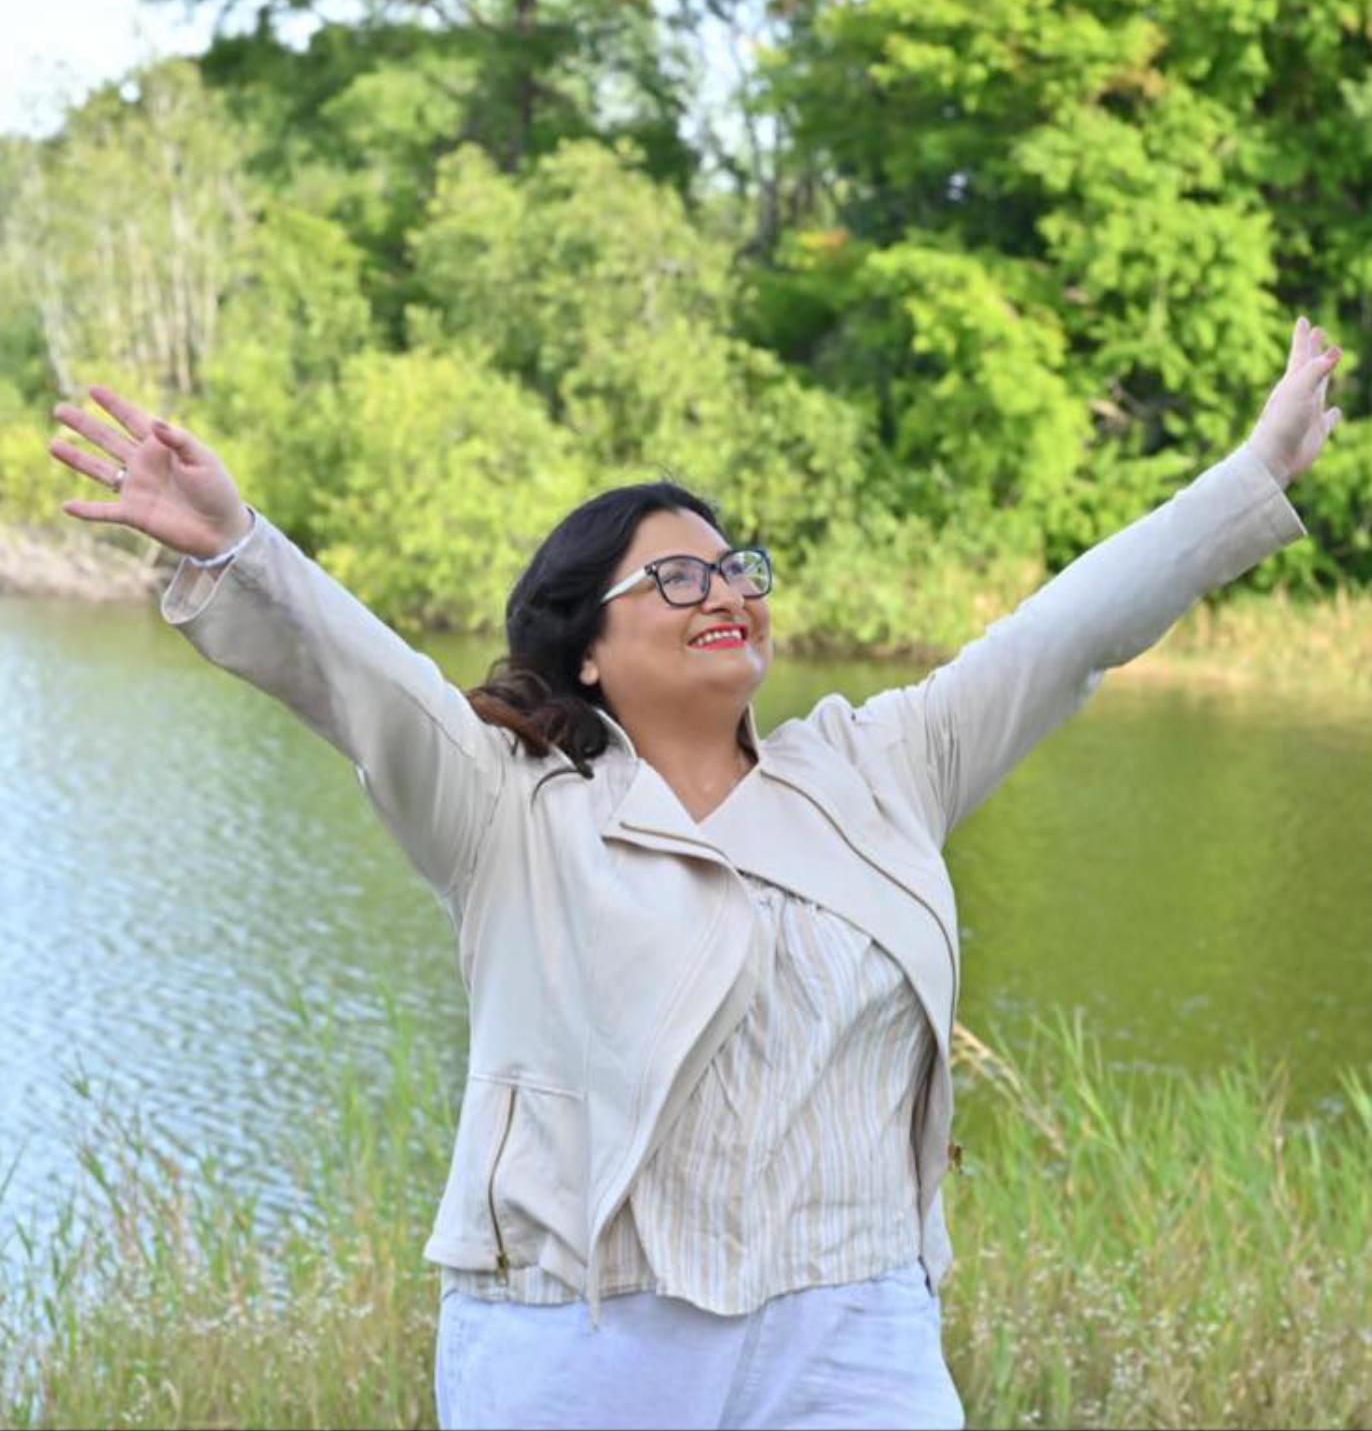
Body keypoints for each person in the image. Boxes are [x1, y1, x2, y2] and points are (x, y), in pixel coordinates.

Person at [48, 317, 1342, 1430]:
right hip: (585, 1330)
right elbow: (365, 682)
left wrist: (1254, 472)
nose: (723, 587)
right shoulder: (508, 809)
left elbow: (1068, 633)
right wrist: (238, 548)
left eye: (735, 567)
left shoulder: (880, 767)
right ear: (588, 647)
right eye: (673, 573)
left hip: (855, 1319)